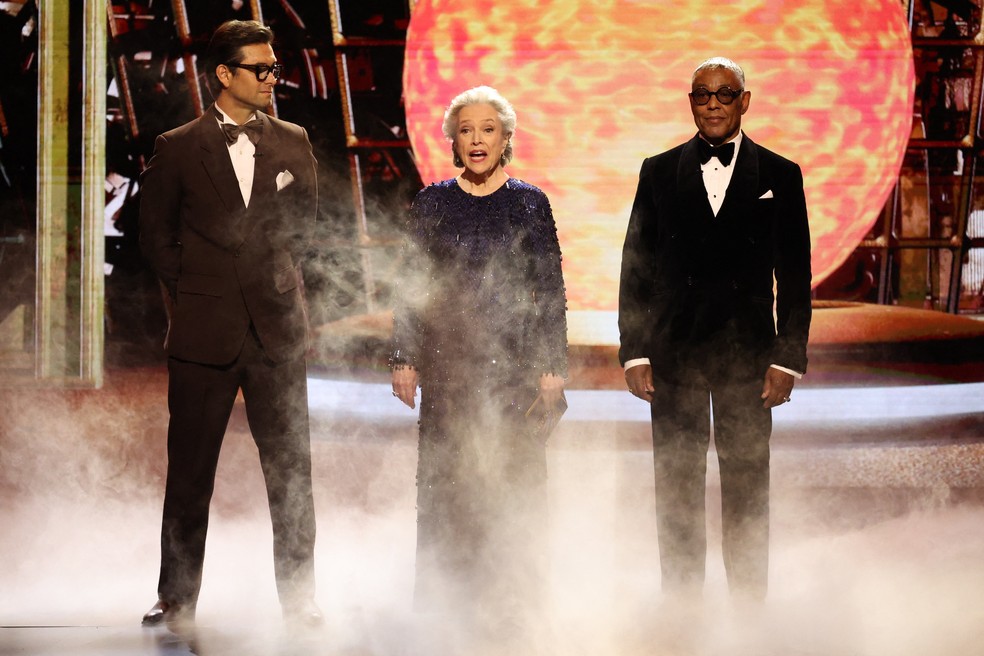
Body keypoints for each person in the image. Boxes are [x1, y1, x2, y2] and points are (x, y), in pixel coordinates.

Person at [138, 20, 322, 628]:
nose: (273, 78)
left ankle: (301, 600)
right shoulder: (178, 147)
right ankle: (177, 599)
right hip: (202, 334)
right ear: (225, 74)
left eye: (274, 68)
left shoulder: (293, 141)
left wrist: (277, 286)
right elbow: (158, 240)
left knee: (291, 475)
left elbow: (306, 229)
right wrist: (197, 291)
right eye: (261, 69)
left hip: (277, 334)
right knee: (190, 474)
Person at [618, 57, 812, 601]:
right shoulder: (656, 171)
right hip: (672, 357)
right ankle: (681, 612)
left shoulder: (780, 174)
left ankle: (749, 611)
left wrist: (786, 358)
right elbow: (636, 267)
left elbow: (795, 277)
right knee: (676, 487)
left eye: (725, 94)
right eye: (702, 94)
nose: (713, 104)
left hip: (749, 360)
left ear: (745, 101)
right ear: (690, 101)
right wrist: (634, 352)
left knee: (748, 484)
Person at [390, 86, 568, 637]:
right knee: (449, 488)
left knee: (514, 487)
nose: (476, 139)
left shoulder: (531, 203)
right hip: (450, 366)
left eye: (487, 129)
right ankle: (448, 606)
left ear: (506, 138)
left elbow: (550, 289)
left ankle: (517, 608)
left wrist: (552, 364)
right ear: (451, 139)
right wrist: (404, 356)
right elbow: (411, 284)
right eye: (465, 130)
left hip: (514, 369)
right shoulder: (432, 202)